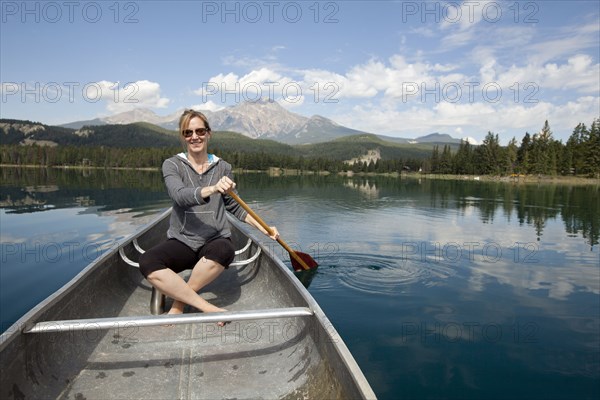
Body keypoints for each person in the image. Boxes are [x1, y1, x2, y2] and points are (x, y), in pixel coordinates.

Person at [139, 109, 279, 325]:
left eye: (200, 131)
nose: (194, 137)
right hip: (183, 241)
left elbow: (235, 206)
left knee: (225, 249)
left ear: (208, 133)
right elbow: (180, 195)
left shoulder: (223, 167)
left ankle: (178, 303)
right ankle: (209, 308)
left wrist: (264, 227)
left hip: (213, 240)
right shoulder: (172, 164)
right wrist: (213, 188)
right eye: (188, 133)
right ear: (183, 136)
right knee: (148, 261)